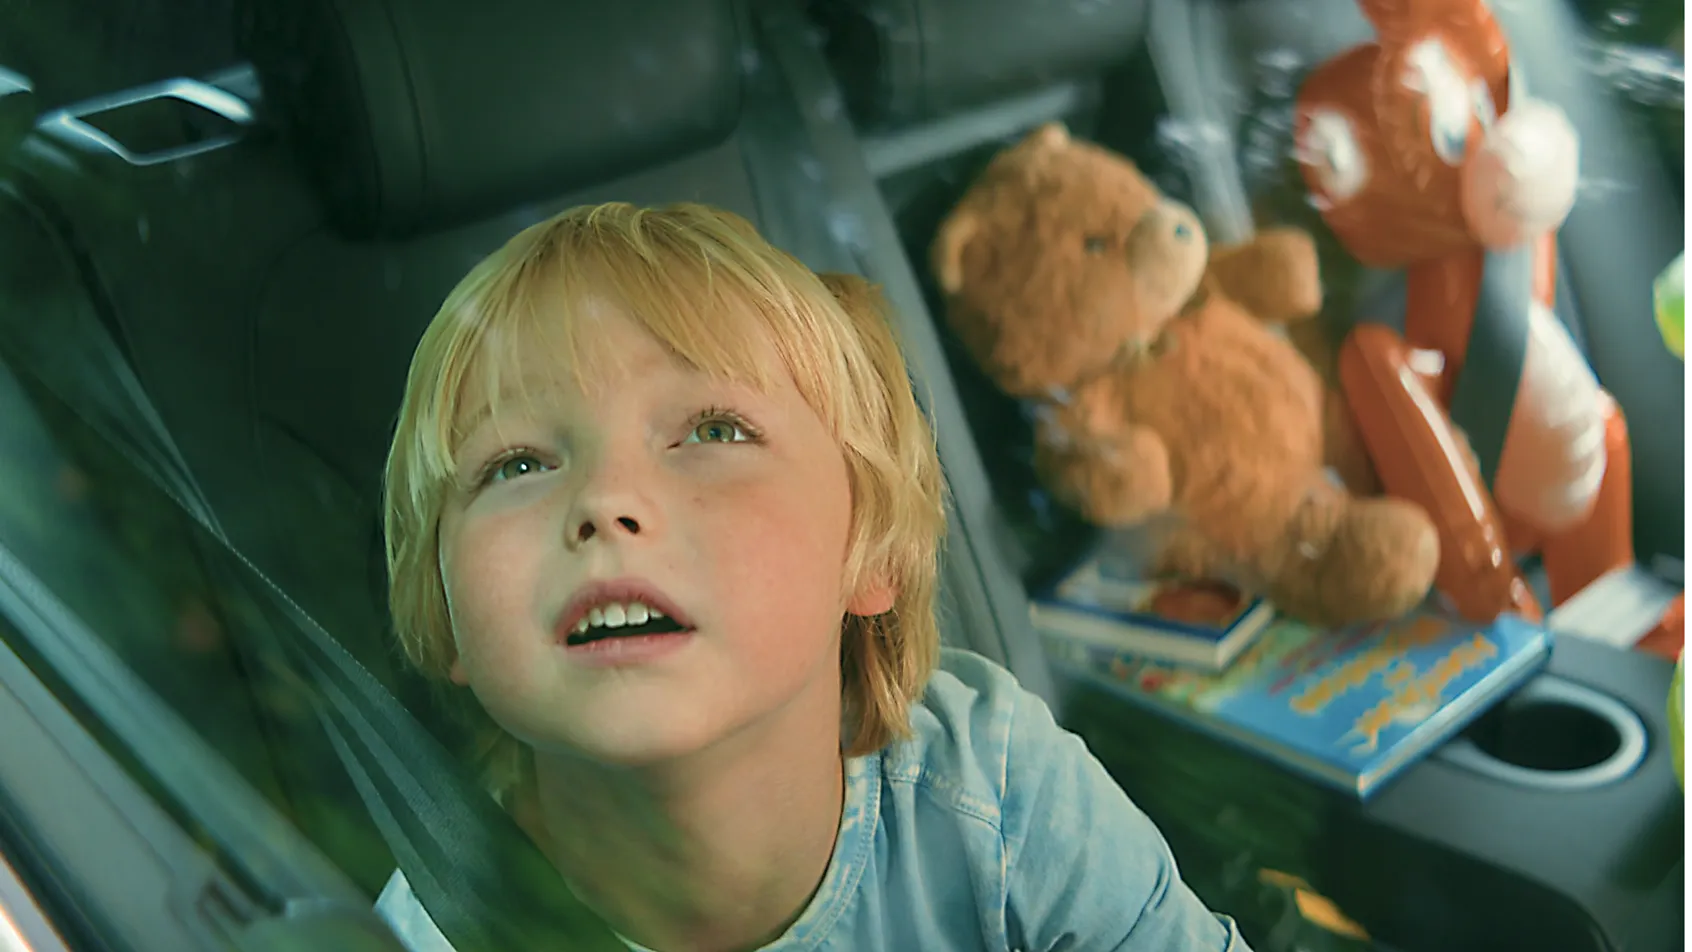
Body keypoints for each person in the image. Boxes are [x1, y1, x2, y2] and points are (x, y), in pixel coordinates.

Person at [374, 201, 1248, 951]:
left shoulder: (995, 786)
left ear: (867, 552)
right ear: (445, 609)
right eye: (517, 464)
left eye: (713, 431)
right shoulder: (430, 925)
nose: (606, 501)